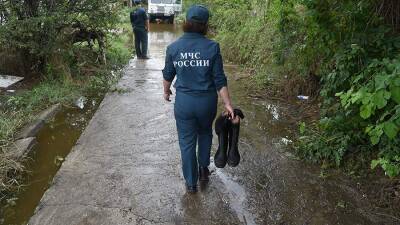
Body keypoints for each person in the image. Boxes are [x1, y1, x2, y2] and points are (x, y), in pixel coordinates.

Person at [162, 5, 237, 193]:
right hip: (206, 102)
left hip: (185, 103)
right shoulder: (212, 47)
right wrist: (228, 104)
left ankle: (191, 183)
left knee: (186, 142)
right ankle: (204, 171)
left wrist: (166, 92)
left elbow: (167, 75)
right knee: (204, 133)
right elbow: (219, 80)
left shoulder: (174, 47)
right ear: (205, 25)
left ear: (186, 23)